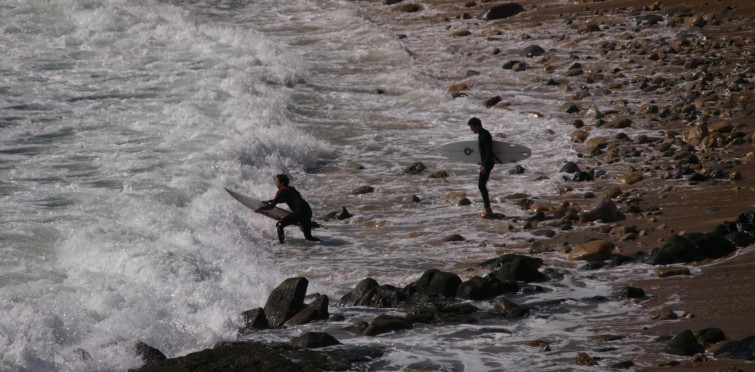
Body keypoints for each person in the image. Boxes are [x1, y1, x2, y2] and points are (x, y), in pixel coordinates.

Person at [254, 174, 319, 243]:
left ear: (282, 183)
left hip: (300, 212)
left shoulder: (281, 190)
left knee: (280, 225)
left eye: (277, 181)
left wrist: (260, 208)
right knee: (309, 237)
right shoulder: (291, 189)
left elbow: (271, 206)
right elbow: (285, 199)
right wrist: (269, 201)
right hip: (307, 211)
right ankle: (325, 242)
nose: (275, 182)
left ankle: (282, 245)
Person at [468, 117, 495, 217]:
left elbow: (488, 152)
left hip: (487, 164)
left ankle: (487, 209)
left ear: (477, 125)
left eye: (472, 127)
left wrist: (484, 165)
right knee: (481, 185)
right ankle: (487, 208)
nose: (471, 130)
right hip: (486, 163)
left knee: (481, 185)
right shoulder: (482, 134)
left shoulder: (484, 135)